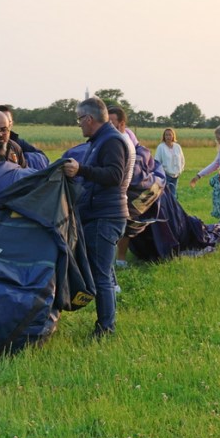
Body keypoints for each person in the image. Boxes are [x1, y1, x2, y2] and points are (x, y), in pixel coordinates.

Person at [61, 97, 135, 338]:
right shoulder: (99, 141)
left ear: (89, 118)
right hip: (99, 214)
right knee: (99, 273)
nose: (79, 124)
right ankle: (105, 324)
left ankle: (105, 329)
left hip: (106, 216)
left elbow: (114, 175)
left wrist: (81, 170)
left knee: (102, 276)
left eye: (79, 119)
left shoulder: (111, 141)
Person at [107, 107, 166, 271]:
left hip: (130, 191)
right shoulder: (111, 138)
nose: (108, 125)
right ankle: (115, 259)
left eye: (111, 122)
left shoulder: (124, 140)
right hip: (122, 192)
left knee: (126, 224)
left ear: (121, 124)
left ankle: (119, 259)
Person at [154, 128, 186, 199]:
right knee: (165, 196)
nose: (168, 137)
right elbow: (157, 162)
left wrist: (180, 170)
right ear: (164, 136)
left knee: (173, 196)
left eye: (170, 135)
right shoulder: (161, 147)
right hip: (166, 175)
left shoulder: (177, 147)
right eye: (166, 135)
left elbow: (182, 160)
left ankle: (172, 206)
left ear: (173, 136)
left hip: (176, 176)